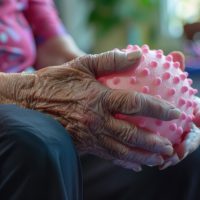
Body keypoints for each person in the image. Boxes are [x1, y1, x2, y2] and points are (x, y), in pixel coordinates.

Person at [0, 1, 200, 200]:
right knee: (33, 139)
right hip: (23, 122)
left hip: (33, 111)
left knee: (181, 157)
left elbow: (59, 54)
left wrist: (175, 101)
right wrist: (25, 91)